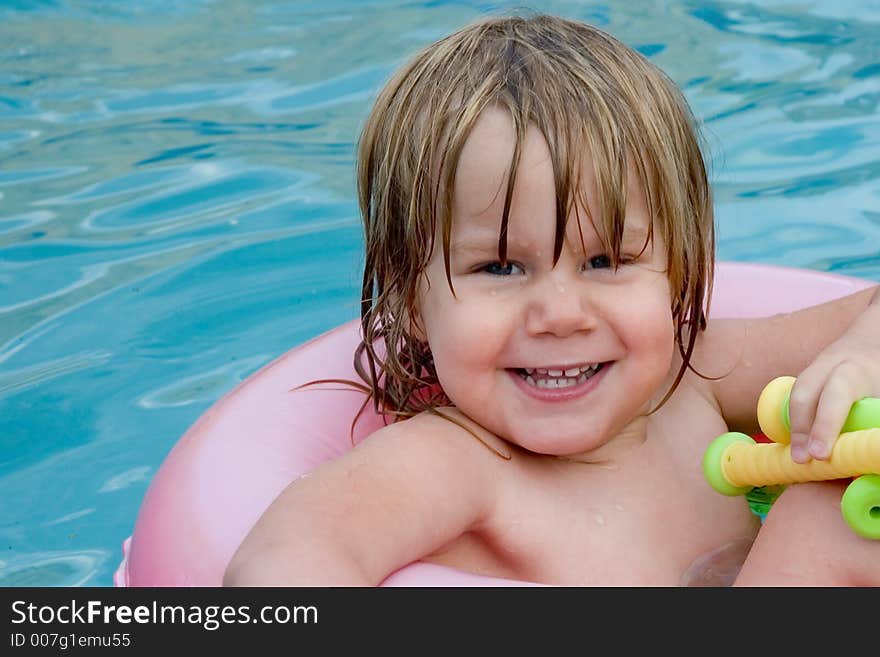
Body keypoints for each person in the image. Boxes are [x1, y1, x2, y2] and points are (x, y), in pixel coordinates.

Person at [223, 14, 880, 586]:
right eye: (501, 267)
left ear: (677, 272)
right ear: (410, 301)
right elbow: (285, 557)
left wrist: (857, 358)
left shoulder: (693, 382)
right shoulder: (453, 463)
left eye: (606, 261)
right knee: (836, 516)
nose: (562, 314)